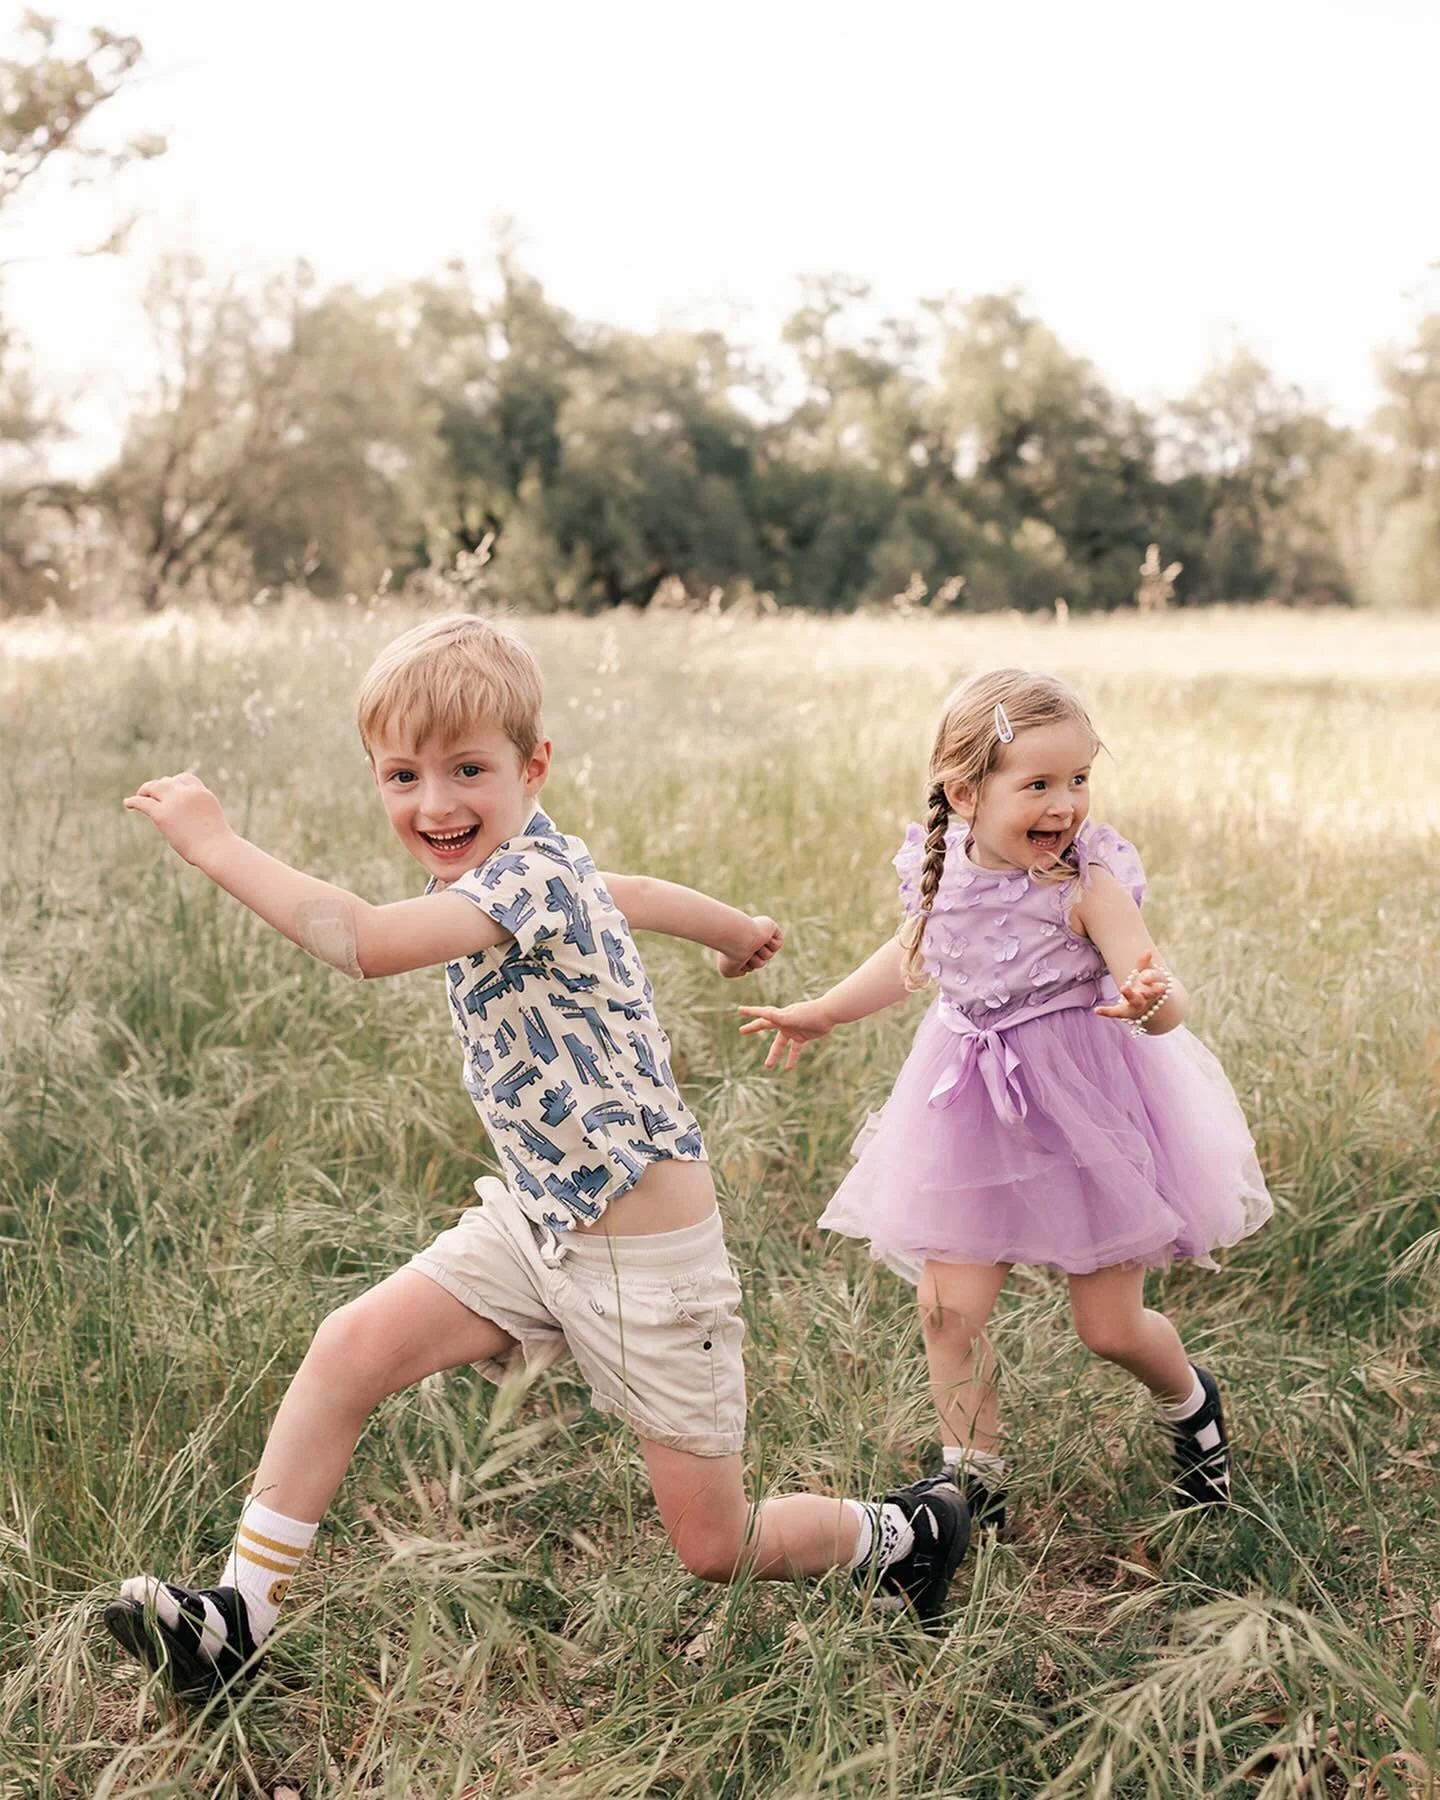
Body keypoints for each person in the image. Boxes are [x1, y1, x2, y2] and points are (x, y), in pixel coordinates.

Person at [103, 615, 967, 1699]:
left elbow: (363, 945)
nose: (434, 804)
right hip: (539, 1223)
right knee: (348, 1350)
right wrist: (727, 927)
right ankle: (238, 1617)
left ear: (533, 765)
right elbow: (628, 893)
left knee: (713, 1544)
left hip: (651, 1261)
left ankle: (904, 1537)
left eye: (468, 770)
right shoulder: (525, 867)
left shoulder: (523, 881)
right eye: (402, 775)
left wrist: (212, 843)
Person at [739, 668, 1271, 1534]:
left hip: (1085, 1104)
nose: (1065, 804)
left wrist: (1151, 1001)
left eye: (1079, 780)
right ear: (965, 793)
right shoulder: (939, 869)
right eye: (1039, 784)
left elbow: (1159, 990)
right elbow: (912, 956)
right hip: (970, 1104)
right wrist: (824, 1010)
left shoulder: (1086, 883)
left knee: (1108, 1326)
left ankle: (1192, 1407)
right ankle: (971, 1483)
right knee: (948, 1307)